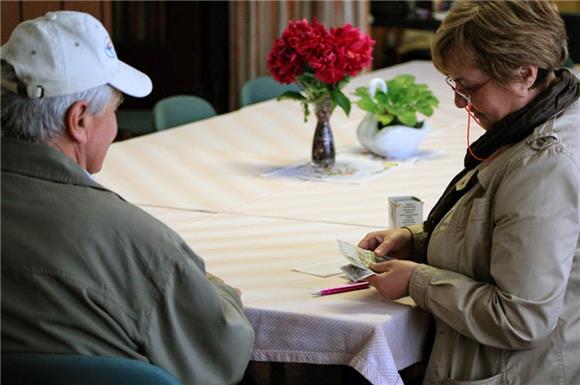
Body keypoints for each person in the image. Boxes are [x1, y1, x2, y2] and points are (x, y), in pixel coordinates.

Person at [1, 11, 254, 385]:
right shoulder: (138, 244)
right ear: (80, 121)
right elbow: (223, 354)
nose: (116, 128)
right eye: (115, 110)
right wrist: (215, 287)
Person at [358, 2, 580, 384]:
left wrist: (417, 281)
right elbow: (499, 233)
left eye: (469, 86)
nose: (459, 102)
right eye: (454, 84)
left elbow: (520, 319)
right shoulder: (547, 114)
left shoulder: (544, 165)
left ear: (525, 74)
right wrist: (420, 241)